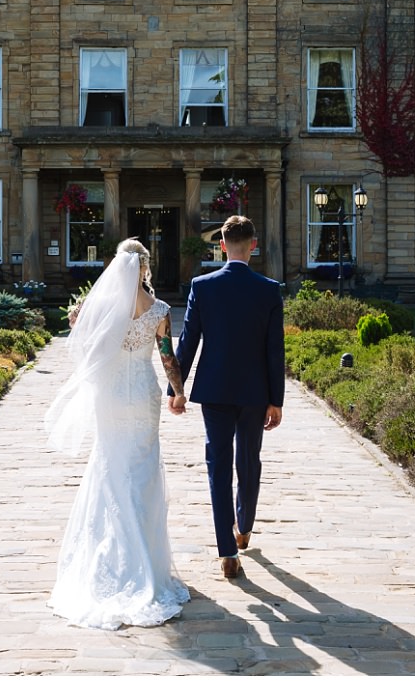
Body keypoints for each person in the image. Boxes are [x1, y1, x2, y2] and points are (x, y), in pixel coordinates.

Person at [44, 239, 191, 629]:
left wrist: (81, 316)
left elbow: (79, 327)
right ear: (145, 268)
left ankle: (110, 557)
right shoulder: (159, 310)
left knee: (110, 468)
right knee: (142, 470)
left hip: (110, 397)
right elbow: (167, 358)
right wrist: (178, 391)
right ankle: (144, 559)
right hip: (143, 394)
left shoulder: (105, 306)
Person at [171, 215, 284, 579]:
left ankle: (227, 551)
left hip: (215, 390)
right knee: (249, 460)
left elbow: (188, 341)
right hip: (254, 392)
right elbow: (274, 350)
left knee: (218, 467)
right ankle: (245, 526)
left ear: (221, 245)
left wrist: (176, 389)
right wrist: (276, 399)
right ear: (253, 245)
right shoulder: (268, 289)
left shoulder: (202, 286)